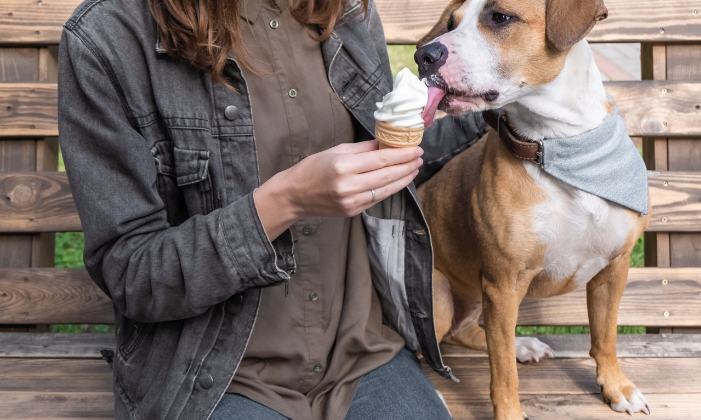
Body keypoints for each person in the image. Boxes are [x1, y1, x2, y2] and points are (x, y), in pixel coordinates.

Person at [57, 0, 488, 418]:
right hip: (211, 377)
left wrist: (500, 111)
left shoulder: (345, 11)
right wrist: (284, 202)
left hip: (363, 354)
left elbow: (384, 157)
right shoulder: (107, 36)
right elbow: (133, 275)